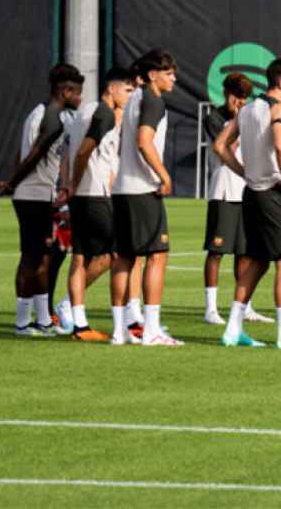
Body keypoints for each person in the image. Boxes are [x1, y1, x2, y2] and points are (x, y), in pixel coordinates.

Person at [217, 57, 281, 351]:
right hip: (273, 194)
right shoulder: (280, 107)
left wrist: (244, 173)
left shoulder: (247, 109)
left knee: (258, 261)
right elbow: (279, 144)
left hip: (252, 193)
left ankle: (233, 329)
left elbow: (220, 146)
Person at [0, 64, 83, 337]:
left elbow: (24, 155)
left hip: (41, 195)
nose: (79, 98)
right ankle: (21, 323)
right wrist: (11, 184)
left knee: (43, 256)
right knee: (31, 258)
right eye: (76, 93)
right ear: (64, 91)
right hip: (33, 196)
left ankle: (42, 320)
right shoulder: (51, 119)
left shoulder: (43, 113)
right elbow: (33, 157)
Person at [109, 49, 179, 347]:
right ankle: (150, 330)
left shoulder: (133, 97)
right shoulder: (152, 99)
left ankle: (119, 330)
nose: (174, 78)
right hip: (142, 190)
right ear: (153, 75)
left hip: (123, 188)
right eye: (168, 73)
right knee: (157, 257)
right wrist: (163, 175)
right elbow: (143, 142)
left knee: (124, 258)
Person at [60, 68, 133, 342]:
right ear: (112, 89)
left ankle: (79, 323)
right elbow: (82, 152)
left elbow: (69, 152)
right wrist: (74, 183)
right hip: (94, 194)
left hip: (81, 196)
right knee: (116, 254)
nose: (130, 96)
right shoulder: (103, 113)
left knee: (80, 257)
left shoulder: (83, 112)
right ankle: (119, 321)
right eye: (127, 90)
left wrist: (68, 185)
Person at [201, 72, 254, 325]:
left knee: (245, 253)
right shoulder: (214, 117)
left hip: (247, 191)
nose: (241, 101)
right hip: (223, 190)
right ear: (227, 94)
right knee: (216, 251)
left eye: (244, 97)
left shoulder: (250, 116)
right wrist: (236, 118)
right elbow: (227, 149)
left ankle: (244, 306)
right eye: (237, 96)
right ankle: (211, 309)